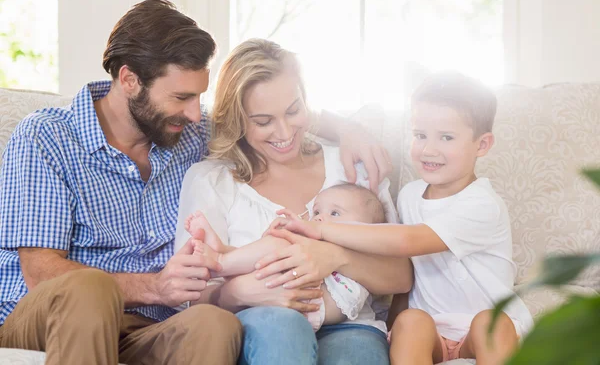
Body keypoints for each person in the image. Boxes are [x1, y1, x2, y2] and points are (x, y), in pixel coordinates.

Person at [0, 0, 391, 365]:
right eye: (182, 97)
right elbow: (40, 273)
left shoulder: (185, 129)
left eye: (198, 98)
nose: (194, 113)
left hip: (148, 328)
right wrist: (156, 287)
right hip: (56, 317)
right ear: (130, 80)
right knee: (90, 289)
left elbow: (264, 116)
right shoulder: (46, 138)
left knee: (213, 323)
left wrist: (348, 127)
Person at [268, 72, 535, 365]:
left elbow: (407, 241)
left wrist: (323, 230)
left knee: (490, 324)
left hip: (484, 327)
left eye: (446, 137)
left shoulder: (481, 203)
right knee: (409, 323)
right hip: (433, 329)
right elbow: (408, 276)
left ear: (482, 145)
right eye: (420, 135)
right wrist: (392, 324)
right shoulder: (410, 195)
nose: (428, 149)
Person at [175, 38, 413, 365]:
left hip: (349, 326)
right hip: (263, 322)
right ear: (237, 118)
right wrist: (236, 292)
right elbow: (193, 299)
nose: (284, 131)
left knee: (358, 356)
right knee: (282, 331)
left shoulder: (351, 168)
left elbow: (402, 275)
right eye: (263, 121)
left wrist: (333, 256)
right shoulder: (211, 180)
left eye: (293, 110)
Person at [182, 183, 387, 331]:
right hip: (286, 295)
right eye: (316, 211)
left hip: (315, 304)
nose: (319, 218)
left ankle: (223, 263)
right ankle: (223, 254)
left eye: (335, 213)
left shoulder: (364, 252)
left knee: (283, 248)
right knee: (279, 244)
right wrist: (286, 230)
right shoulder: (313, 241)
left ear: (366, 228)